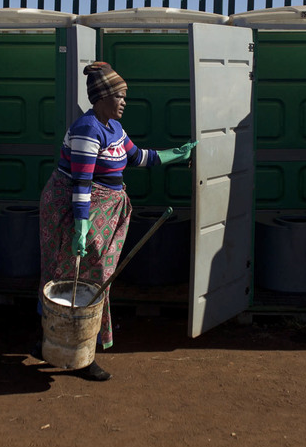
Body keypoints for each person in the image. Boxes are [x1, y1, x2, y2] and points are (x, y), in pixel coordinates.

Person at [36, 61, 196, 381]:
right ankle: (74, 348)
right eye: (120, 96)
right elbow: (81, 183)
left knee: (97, 276)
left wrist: (176, 154)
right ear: (102, 97)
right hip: (74, 210)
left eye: (125, 96)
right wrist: (81, 226)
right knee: (76, 274)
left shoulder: (114, 129)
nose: (124, 101)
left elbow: (138, 157)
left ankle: (74, 344)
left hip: (101, 210)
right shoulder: (87, 129)